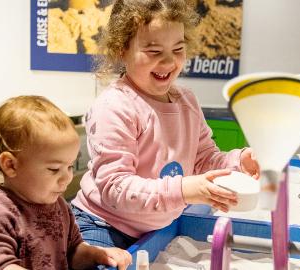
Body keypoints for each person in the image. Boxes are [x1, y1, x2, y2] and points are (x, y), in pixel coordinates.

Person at [71, 0, 260, 250]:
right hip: (102, 225)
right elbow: (115, 188)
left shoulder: (187, 101)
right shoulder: (115, 106)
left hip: (156, 227)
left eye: (178, 49)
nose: (169, 62)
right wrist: (183, 190)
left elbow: (203, 158)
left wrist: (238, 162)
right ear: (121, 49)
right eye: (154, 51)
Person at [0, 96, 131, 270]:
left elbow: (72, 254)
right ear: (10, 165)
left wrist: (97, 254)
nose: (67, 178)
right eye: (54, 169)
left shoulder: (59, 205)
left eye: (70, 166)